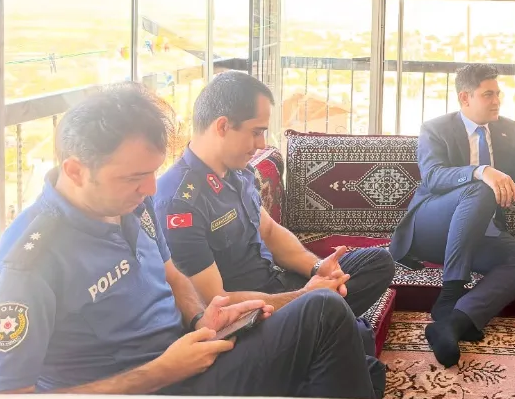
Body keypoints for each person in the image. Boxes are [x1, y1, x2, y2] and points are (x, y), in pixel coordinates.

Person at [0, 84, 377, 398]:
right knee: (323, 314)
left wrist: (199, 318)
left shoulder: (134, 203)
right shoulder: (26, 266)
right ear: (75, 171)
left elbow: (173, 276)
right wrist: (161, 371)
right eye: (133, 177)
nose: (151, 189)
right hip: (147, 398)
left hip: (190, 356)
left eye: (152, 172)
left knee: (352, 354)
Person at [389, 63, 515, 368]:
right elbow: (433, 177)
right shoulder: (435, 128)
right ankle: (451, 291)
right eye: (488, 94)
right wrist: (481, 171)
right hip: (431, 228)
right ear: (464, 98)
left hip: (479, 231)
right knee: (482, 187)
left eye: (498, 94)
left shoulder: (508, 130)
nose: (496, 101)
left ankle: (454, 322)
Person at [153, 71, 394, 319]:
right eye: (256, 132)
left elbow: (269, 231)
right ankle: (328, 322)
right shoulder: (179, 204)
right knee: (347, 327)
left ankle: (326, 320)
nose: (262, 144)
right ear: (222, 126)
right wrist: (305, 297)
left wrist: (317, 268)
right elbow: (214, 302)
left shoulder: (239, 171)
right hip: (252, 315)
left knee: (377, 262)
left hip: (279, 287)